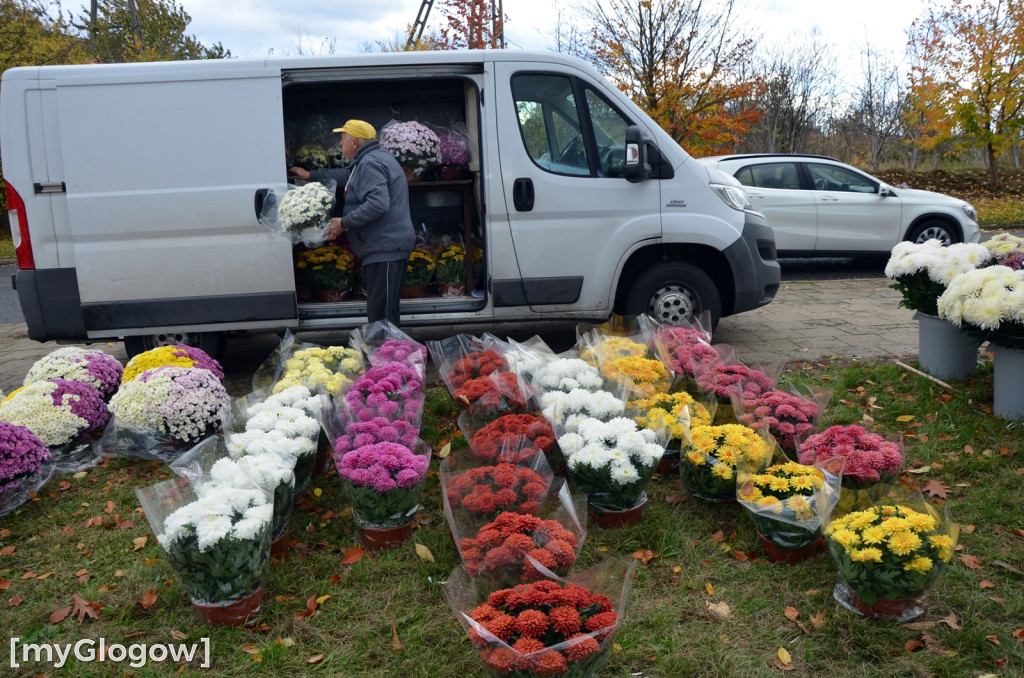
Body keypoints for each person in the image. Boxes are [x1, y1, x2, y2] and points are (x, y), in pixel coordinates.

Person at [288, 120, 414, 327]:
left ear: (354, 143)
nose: (340, 144)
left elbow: (378, 204)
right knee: (387, 311)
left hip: (384, 248)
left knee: (381, 316)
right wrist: (310, 175)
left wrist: (344, 223)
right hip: (388, 246)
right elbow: (347, 176)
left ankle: (384, 347)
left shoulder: (370, 163)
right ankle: (390, 346)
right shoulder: (374, 158)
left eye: (342, 139)